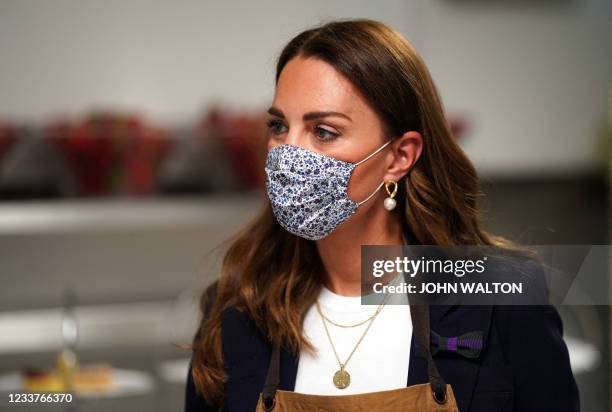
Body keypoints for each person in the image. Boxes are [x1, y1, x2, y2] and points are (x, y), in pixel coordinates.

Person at [185, 18, 579, 411]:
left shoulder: (500, 298)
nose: (290, 153)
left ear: (399, 157)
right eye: (279, 126)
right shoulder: (236, 306)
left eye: (323, 131)